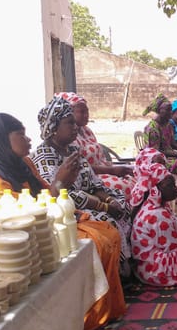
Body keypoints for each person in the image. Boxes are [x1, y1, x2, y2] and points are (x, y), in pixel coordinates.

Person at [0, 112, 126, 330]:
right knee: (97, 241)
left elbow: (46, 193)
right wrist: (60, 181)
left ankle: (106, 310)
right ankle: (88, 317)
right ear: (0, 140)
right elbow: (27, 218)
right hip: (35, 239)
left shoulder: (24, 163)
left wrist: (63, 182)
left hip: (51, 221)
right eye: (20, 134)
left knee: (108, 231)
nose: (28, 140)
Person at [33, 96, 133, 264]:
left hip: (88, 199)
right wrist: (105, 206)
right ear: (54, 127)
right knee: (107, 221)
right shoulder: (45, 155)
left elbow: (93, 182)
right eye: (69, 123)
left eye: (74, 123)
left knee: (123, 202)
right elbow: (63, 195)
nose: (75, 127)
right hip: (67, 209)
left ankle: (126, 262)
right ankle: (117, 269)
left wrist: (109, 200)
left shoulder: (72, 149)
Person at [56, 92, 135, 199]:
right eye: (82, 112)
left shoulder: (86, 131)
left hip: (105, 171)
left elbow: (99, 158)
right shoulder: (69, 137)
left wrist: (113, 168)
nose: (86, 115)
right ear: (69, 113)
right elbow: (80, 167)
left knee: (136, 179)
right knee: (125, 187)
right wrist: (112, 171)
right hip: (91, 177)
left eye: (87, 111)